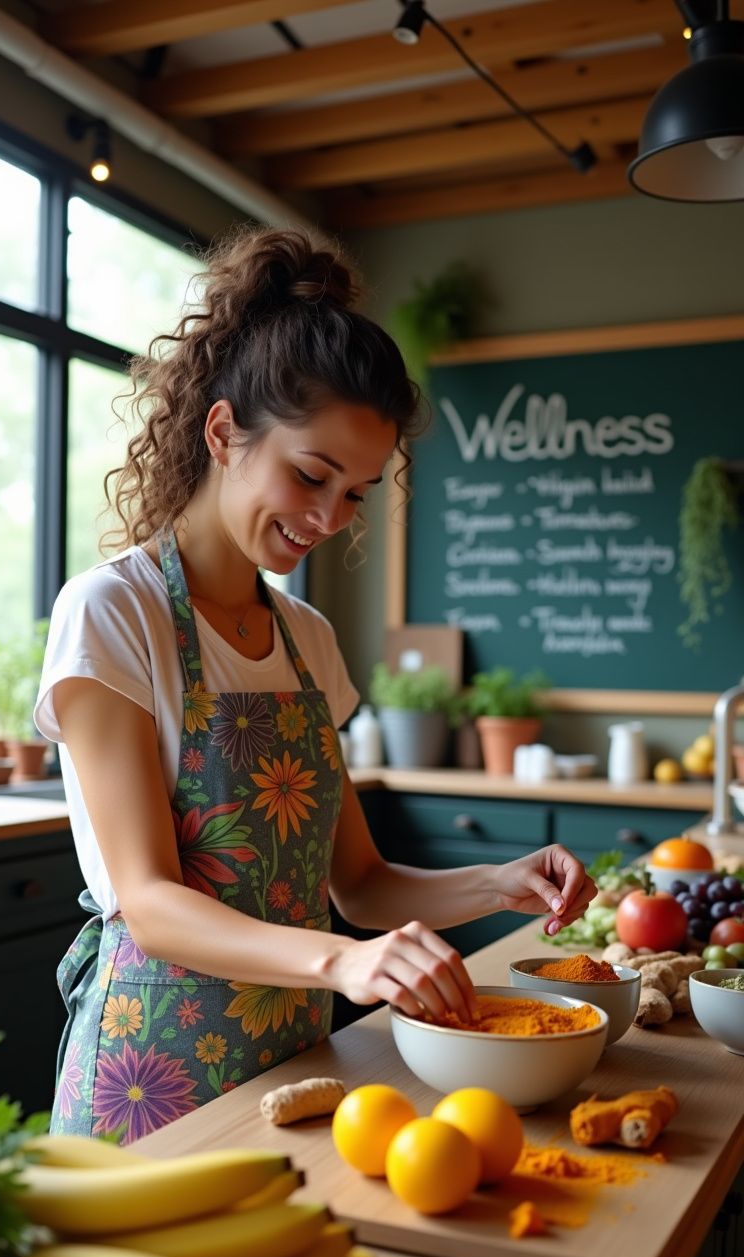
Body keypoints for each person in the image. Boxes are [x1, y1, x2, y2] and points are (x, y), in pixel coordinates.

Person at [35, 227, 597, 1143]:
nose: (328, 518)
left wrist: (499, 883)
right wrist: (345, 963)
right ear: (223, 432)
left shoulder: (308, 639)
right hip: (149, 1079)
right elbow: (152, 901)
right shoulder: (113, 614)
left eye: (356, 493)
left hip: (298, 1066)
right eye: (310, 475)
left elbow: (360, 884)